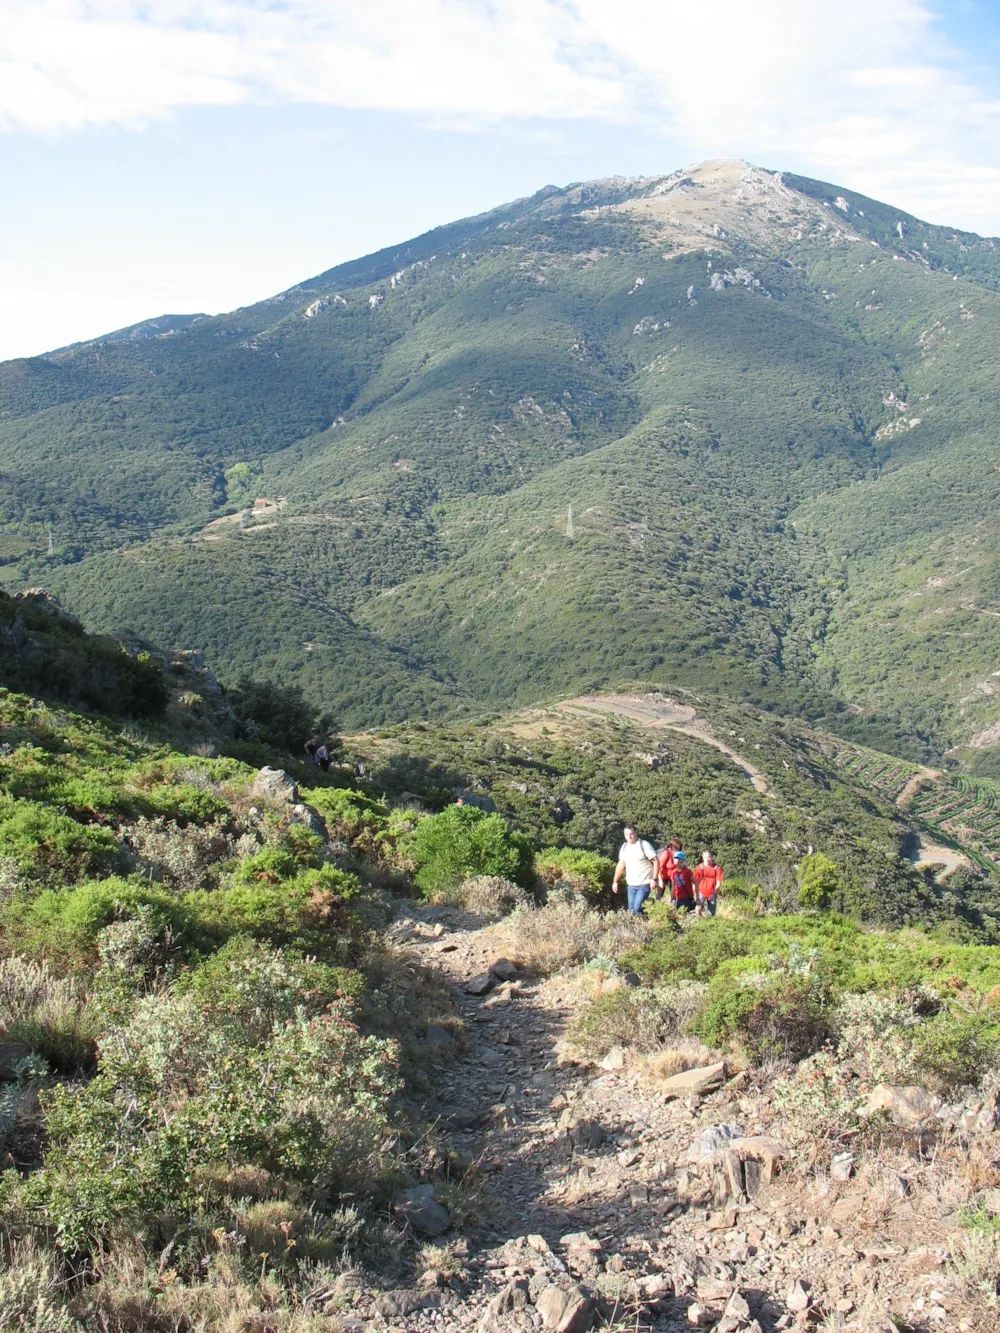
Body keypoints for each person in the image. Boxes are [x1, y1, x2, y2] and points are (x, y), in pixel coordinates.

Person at [612, 827, 658, 916]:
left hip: (644, 883)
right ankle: (637, 927)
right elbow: (621, 865)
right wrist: (615, 881)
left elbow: (656, 861)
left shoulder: (644, 845)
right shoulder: (624, 847)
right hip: (631, 884)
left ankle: (643, 926)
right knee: (631, 910)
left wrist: (654, 879)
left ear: (636, 833)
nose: (629, 836)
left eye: (631, 834)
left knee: (637, 908)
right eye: (626, 834)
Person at [693, 850, 724, 916]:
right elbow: (695, 882)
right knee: (698, 909)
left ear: (712, 857)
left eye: (708, 857)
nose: (707, 859)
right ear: (702, 857)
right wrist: (694, 893)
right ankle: (699, 922)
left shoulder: (717, 868)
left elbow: (718, 883)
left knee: (711, 914)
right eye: (705, 857)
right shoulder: (699, 868)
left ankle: (709, 925)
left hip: (712, 893)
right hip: (701, 892)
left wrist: (714, 892)